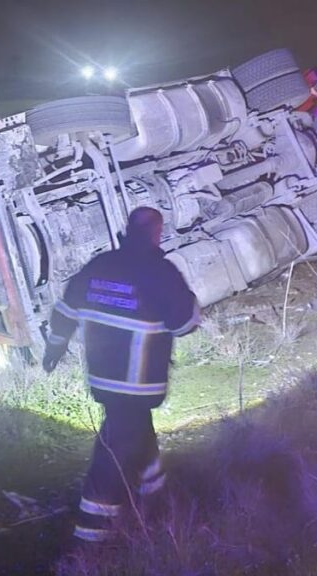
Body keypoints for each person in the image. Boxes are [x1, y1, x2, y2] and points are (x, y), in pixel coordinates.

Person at [42, 207, 201, 543]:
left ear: (127, 230)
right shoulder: (161, 272)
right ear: (157, 233)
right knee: (112, 455)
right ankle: (91, 537)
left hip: (103, 380)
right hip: (138, 383)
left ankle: (157, 503)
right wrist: (191, 300)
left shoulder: (100, 265)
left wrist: (54, 348)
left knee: (139, 434)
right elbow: (184, 324)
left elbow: (66, 311)